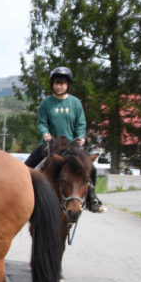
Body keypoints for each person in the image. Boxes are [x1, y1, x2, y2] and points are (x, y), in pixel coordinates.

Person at [25, 66, 105, 212]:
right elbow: (41, 122)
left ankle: (92, 199)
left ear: (67, 85)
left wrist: (81, 136)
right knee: (26, 167)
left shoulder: (75, 103)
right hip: (49, 145)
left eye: (62, 83)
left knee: (91, 168)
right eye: (56, 83)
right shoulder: (46, 103)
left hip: (71, 146)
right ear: (52, 84)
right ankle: (23, 196)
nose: (59, 86)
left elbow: (80, 123)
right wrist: (45, 133)